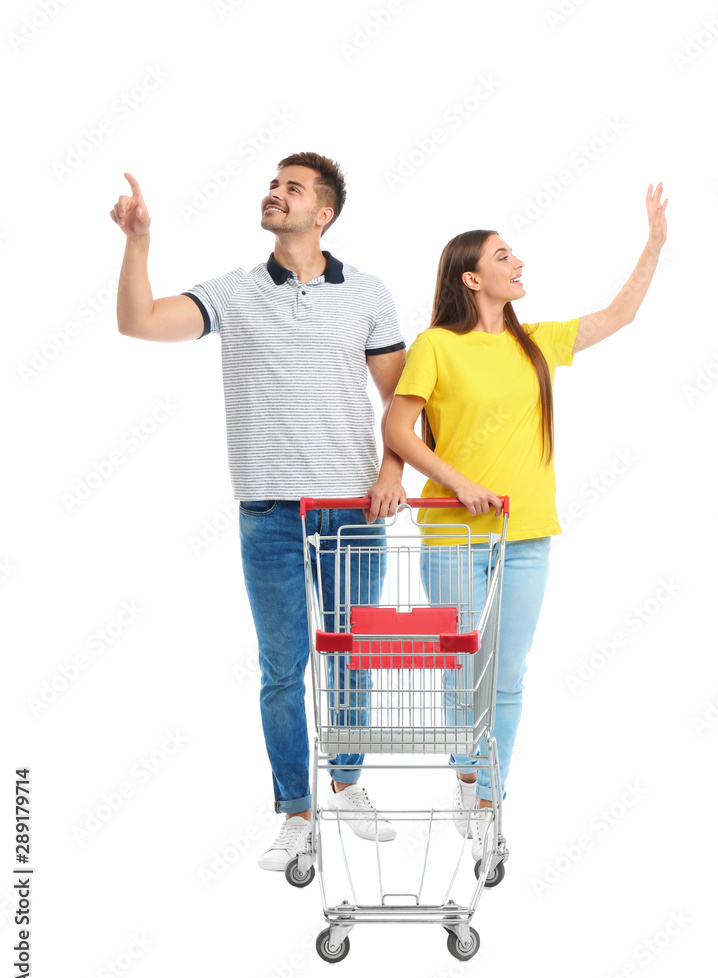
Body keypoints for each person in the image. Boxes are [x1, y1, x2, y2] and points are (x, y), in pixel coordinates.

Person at [110, 152, 408, 872]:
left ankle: (347, 784)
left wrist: (394, 469)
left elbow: (404, 402)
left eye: (292, 188)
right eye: (273, 185)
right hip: (269, 512)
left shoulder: (367, 293)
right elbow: (140, 323)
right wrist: (138, 242)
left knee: (354, 658)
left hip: (353, 508)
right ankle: (297, 813)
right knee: (283, 669)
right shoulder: (236, 292)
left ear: (324, 212)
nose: (275, 194)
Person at [385, 183, 668, 863]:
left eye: (515, 254)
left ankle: (489, 798)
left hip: (527, 536)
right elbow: (398, 427)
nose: (519, 263)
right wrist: (457, 481)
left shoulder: (536, 344)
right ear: (472, 278)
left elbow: (618, 316)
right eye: (504, 256)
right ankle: (465, 772)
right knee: (464, 670)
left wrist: (654, 244)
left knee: (507, 676)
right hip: (454, 533)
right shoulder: (436, 346)